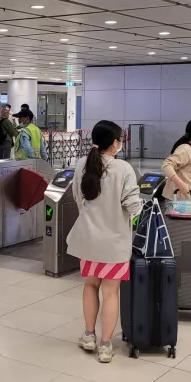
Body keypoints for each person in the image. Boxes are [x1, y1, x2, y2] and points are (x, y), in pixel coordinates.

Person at [66, 121, 142, 363]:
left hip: (88, 240)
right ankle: (106, 346)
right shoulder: (123, 168)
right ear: (115, 143)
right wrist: (140, 208)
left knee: (90, 286)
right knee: (111, 292)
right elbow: (132, 204)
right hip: (114, 243)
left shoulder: (82, 164)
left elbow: (78, 197)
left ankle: (89, 336)